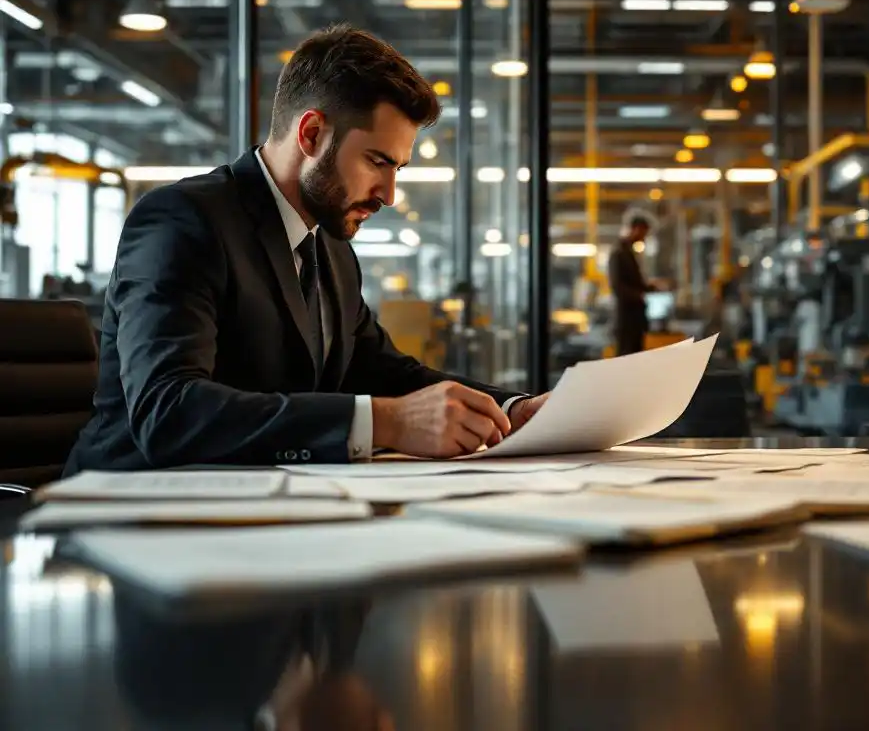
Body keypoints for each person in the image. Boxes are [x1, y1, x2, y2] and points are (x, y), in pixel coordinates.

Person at [64, 24, 548, 475]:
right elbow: (167, 412)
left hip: (256, 508)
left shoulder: (330, 249)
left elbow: (382, 371)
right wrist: (385, 423)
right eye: (377, 161)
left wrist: (513, 411)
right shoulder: (183, 221)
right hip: (129, 516)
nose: (389, 193)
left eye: (397, 167)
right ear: (312, 133)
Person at [607, 210, 657, 356]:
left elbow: (634, 283)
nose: (644, 237)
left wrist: (652, 287)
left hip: (634, 318)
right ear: (636, 229)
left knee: (634, 357)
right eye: (643, 232)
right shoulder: (618, 253)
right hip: (626, 319)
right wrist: (639, 295)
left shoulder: (628, 252)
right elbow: (617, 286)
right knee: (626, 357)